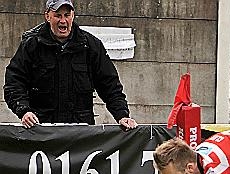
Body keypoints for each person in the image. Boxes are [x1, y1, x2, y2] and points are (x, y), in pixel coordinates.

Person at [3, 0, 137, 131]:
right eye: (58, 15)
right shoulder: (31, 45)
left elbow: (109, 85)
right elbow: (14, 84)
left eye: (67, 15)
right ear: (47, 16)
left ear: (73, 15)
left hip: (80, 135)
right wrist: (24, 111)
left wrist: (122, 115)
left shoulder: (91, 46)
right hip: (41, 132)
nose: (63, 21)